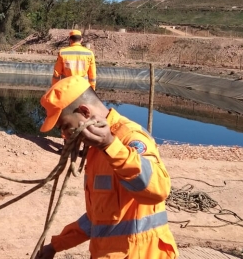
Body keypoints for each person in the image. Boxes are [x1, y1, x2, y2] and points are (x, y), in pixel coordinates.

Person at [36, 76, 178, 259]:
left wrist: (111, 146)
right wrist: (55, 245)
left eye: (65, 126)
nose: (64, 135)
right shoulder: (96, 151)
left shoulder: (129, 139)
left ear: (85, 112)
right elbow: (98, 218)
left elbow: (159, 190)